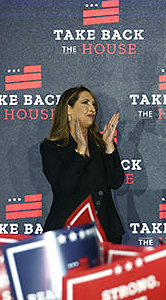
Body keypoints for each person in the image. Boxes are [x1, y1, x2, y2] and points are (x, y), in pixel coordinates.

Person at [40, 86, 125, 243]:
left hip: (106, 233)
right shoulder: (52, 148)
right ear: (68, 109)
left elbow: (116, 182)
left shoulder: (100, 144)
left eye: (94, 105)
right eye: (85, 103)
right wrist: (80, 151)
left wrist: (109, 146)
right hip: (68, 235)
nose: (92, 108)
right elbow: (65, 187)